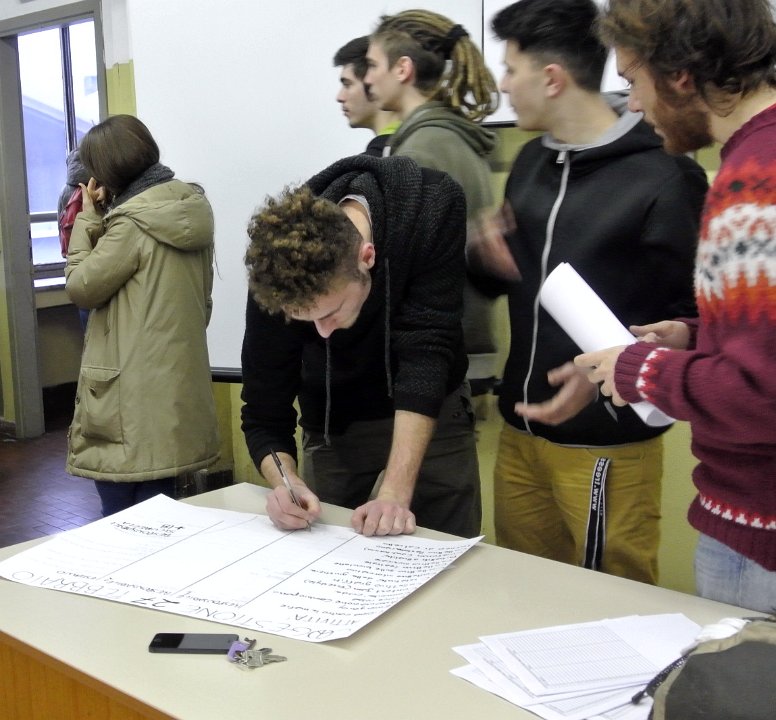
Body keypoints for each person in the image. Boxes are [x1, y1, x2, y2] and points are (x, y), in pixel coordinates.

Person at [468, 0, 708, 584]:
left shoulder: (665, 174)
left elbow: (694, 322)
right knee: (525, 593)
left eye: (511, 70)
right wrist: (482, 257)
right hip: (521, 434)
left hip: (607, 444)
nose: (503, 86)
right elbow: (506, 284)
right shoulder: (530, 162)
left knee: (612, 600)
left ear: (552, 78)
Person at [575, 0, 776, 611]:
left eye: (633, 80)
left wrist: (640, 371)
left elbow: (762, 396)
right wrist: (699, 334)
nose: (633, 105)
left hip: (760, 536)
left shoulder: (752, 185)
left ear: (680, 75)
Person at [241, 153, 481, 537]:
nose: (322, 333)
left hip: (434, 412)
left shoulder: (431, 205)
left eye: (331, 313)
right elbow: (263, 411)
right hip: (335, 422)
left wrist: (395, 493)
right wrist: (286, 483)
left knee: (443, 545)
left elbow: (426, 353)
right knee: (322, 543)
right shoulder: (277, 271)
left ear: (366, 257)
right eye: (307, 321)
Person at [65, 114, 219, 516]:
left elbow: (81, 286)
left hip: (127, 393)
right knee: (161, 505)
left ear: (106, 171)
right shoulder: (188, 205)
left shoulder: (130, 224)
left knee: (121, 517)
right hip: (173, 383)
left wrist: (87, 218)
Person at [365, 10, 515, 397]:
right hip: (455, 354)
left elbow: (405, 268)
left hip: (436, 362)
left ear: (402, 69)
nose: (367, 78)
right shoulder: (447, 137)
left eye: (373, 65)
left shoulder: (421, 150)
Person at [333, 36, 400, 157]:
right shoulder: (422, 138)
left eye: (347, 84)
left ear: (374, 82)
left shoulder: (382, 158)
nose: (339, 97)